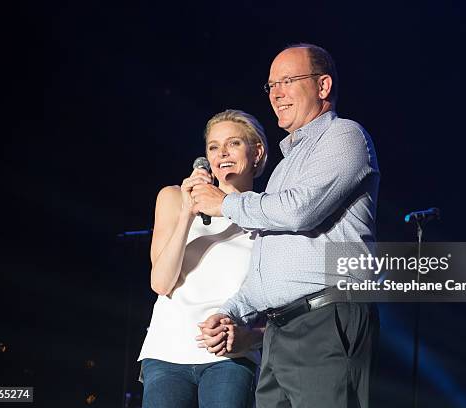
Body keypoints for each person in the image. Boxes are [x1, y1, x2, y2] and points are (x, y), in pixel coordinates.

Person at [192, 44, 381, 407]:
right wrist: (232, 310)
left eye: (288, 81)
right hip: (280, 331)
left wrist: (226, 203)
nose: (276, 93)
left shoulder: (344, 136)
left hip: (326, 319)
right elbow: (270, 262)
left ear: (323, 86)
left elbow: (301, 211)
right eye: (270, 86)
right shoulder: (283, 168)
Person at [137, 109, 269, 408]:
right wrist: (188, 211)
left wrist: (249, 337)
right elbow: (161, 282)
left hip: (230, 358)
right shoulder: (173, 197)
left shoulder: (267, 214)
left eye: (233, 143)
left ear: (257, 151)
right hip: (167, 352)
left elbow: (278, 309)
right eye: (213, 146)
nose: (222, 153)